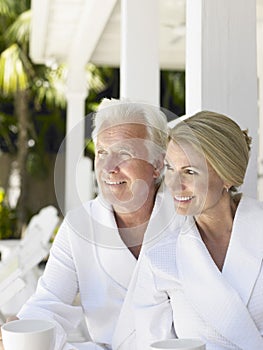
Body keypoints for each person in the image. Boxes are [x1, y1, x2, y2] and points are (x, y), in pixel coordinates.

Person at [13, 99, 183, 350]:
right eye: (102, 152)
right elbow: (49, 302)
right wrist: (24, 331)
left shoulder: (185, 219)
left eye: (124, 153)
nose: (108, 168)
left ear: (157, 164)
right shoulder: (79, 226)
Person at [134, 111, 263, 350]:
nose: (173, 184)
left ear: (228, 177)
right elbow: (147, 343)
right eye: (170, 169)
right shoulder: (160, 257)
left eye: (190, 172)